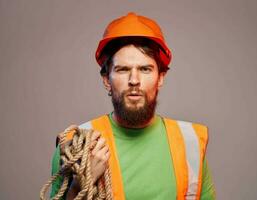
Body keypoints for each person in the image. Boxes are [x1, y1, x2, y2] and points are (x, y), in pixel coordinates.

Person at [50, 12, 216, 200]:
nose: (134, 80)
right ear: (106, 79)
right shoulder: (76, 147)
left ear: (160, 77)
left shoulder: (190, 143)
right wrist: (79, 185)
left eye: (145, 69)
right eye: (123, 70)